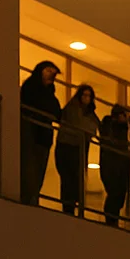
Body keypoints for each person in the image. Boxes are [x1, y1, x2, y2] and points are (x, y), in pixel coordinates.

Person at [19, 61, 62, 206]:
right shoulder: (30, 87)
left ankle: (33, 197)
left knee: (39, 169)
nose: (52, 75)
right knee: (29, 167)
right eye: (48, 71)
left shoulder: (51, 94)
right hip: (30, 132)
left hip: (44, 136)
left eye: (53, 72)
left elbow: (57, 113)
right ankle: (27, 197)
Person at [54, 84, 99, 216]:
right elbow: (80, 125)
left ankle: (74, 207)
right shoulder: (72, 108)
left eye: (89, 96)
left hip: (79, 148)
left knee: (76, 180)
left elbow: (93, 127)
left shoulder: (90, 113)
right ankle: (68, 209)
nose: (86, 98)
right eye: (84, 95)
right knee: (69, 180)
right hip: (67, 147)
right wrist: (87, 128)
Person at [99, 104, 130, 228]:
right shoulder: (108, 122)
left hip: (123, 161)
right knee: (114, 191)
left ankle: (113, 217)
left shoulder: (128, 125)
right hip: (110, 160)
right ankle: (111, 218)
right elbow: (106, 137)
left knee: (121, 191)